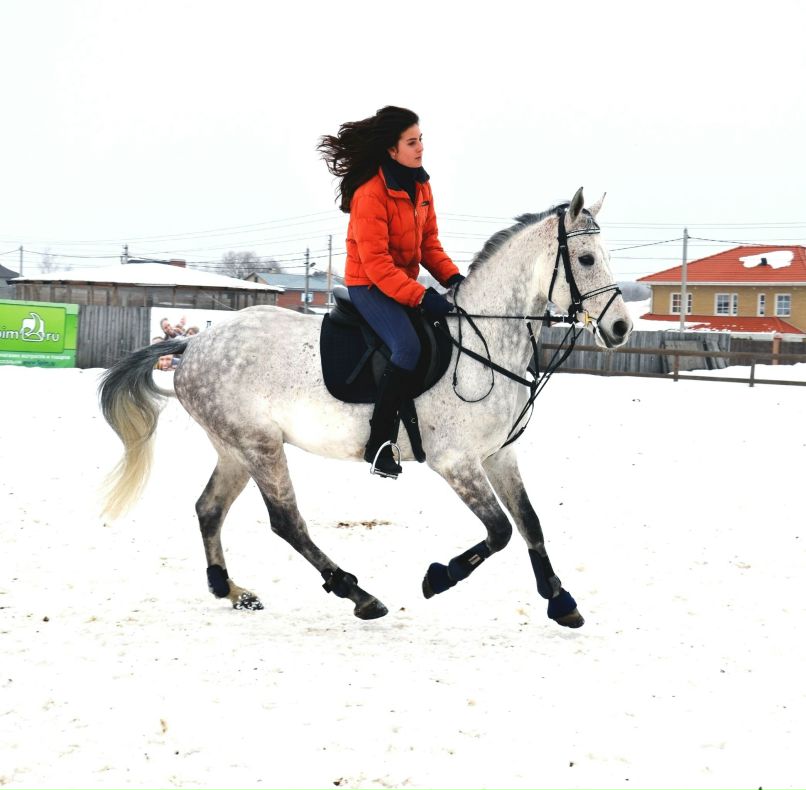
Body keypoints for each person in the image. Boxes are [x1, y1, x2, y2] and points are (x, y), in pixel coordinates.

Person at [318, 106, 464, 478]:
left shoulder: (421, 186)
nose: (420, 148)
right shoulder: (370, 194)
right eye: (412, 142)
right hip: (369, 283)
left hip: (398, 280)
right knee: (408, 347)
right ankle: (379, 443)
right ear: (392, 149)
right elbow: (378, 265)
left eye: (421, 140)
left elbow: (429, 244)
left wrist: (453, 279)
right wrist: (420, 295)